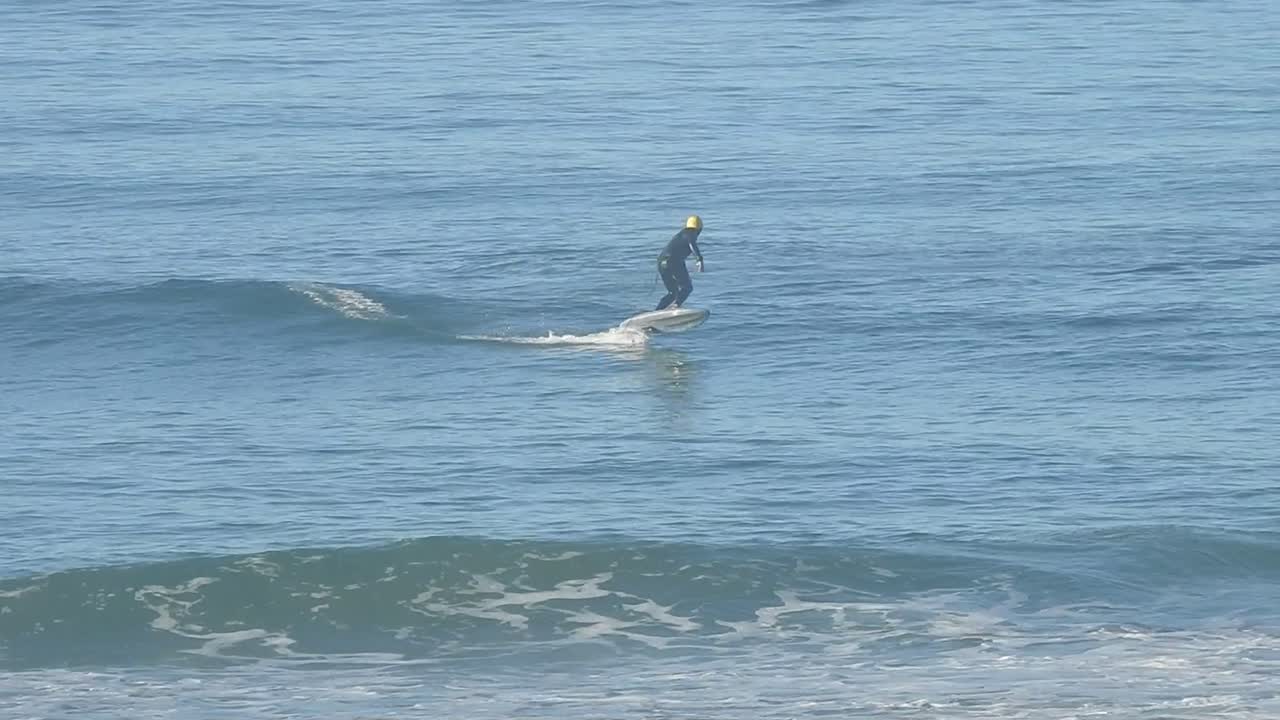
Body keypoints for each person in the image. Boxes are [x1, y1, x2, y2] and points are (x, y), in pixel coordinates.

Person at [655, 215, 705, 310]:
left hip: (661, 262)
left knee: (673, 293)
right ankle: (676, 306)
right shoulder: (691, 233)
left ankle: (657, 311)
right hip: (674, 262)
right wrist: (699, 260)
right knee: (687, 287)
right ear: (699, 229)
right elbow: (692, 244)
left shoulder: (681, 234)